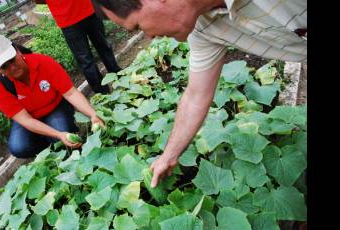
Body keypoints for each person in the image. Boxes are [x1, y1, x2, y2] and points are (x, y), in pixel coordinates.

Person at [93, 0, 307, 187]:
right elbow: (196, 96)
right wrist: (168, 156)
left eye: (138, 26)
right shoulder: (202, 28)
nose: (148, 36)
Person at [0, 32, 105, 158]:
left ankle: (57, 139)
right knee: (19, 147)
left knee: (63, 130)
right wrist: (57, 135)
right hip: (29, 117)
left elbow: (71, 93)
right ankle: (50, 143)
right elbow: (26, 120)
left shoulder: (42, 62)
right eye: (4, 66)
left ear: (18, 51)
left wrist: (92, 114)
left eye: (12, 59)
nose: (12, 67)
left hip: (54, 107)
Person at [33, 0, 121, 94]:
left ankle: (116, 80)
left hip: (83, 12)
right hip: (70, 18)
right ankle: (104, 92)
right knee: (92, 55)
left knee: (95, 53)